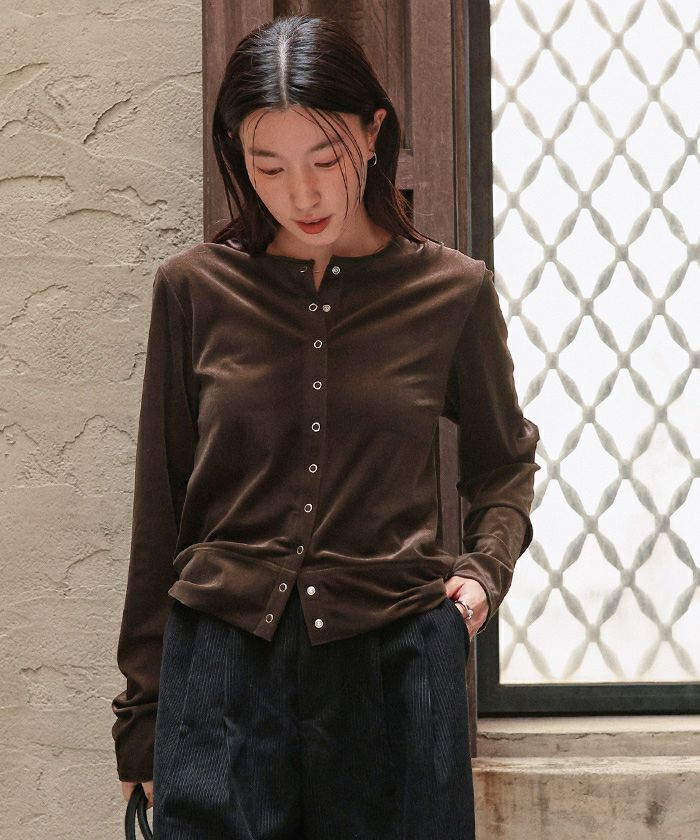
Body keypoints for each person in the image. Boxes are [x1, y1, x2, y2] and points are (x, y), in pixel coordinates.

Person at [111, 13, 540, 839]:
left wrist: (482, 575)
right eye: (267, 166)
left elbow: (503, 465)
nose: (300, 194)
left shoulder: (453, 293)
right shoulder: (192, 291)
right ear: (236, 155)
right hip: (221, 671)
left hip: (395, 669)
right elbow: (158, 511)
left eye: (325, 157)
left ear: (374, 132)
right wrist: (142, 718)